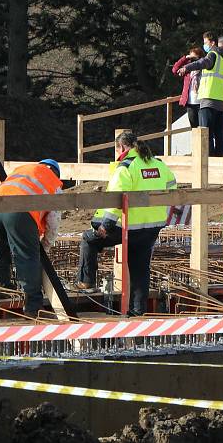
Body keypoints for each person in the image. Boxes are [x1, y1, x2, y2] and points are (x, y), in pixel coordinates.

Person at [76, 131, 176, 316]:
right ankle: (138, 312)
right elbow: (172, 186)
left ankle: (86, 283)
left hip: (129, 226)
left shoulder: (126, 167)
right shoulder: (159, 164)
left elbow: (116, 199)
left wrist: (105, 225)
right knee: (140, 269)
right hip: (153, 226)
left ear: (121, 147)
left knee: (89, 239)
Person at [0, 159, 62, 317]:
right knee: (28, 258)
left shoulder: (23, 170)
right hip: (19, 213)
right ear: (56, 172)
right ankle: (33, 308)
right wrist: (44, 246)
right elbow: (53, 222)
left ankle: (3, 294)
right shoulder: (53, 182)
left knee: (1, 251)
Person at [177, 31, 223, 156]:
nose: (204, 45)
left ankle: (206, 158)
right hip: (221, 99)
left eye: (206, 42)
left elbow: (202, 63)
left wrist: (187, 67)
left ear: (212, 43)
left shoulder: (213, 54)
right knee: (219, 132)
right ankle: (219, 157)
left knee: (205, 132)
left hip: (209, 98)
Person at [171, 47, 206, 128]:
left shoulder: (204, 68)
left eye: (194, 58)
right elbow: (174, 70)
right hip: (190, 103)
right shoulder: (187, 69)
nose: (193, 60)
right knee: (194, 128)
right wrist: (185, 58)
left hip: (202, 103)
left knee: (204, 128)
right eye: (191, 57)